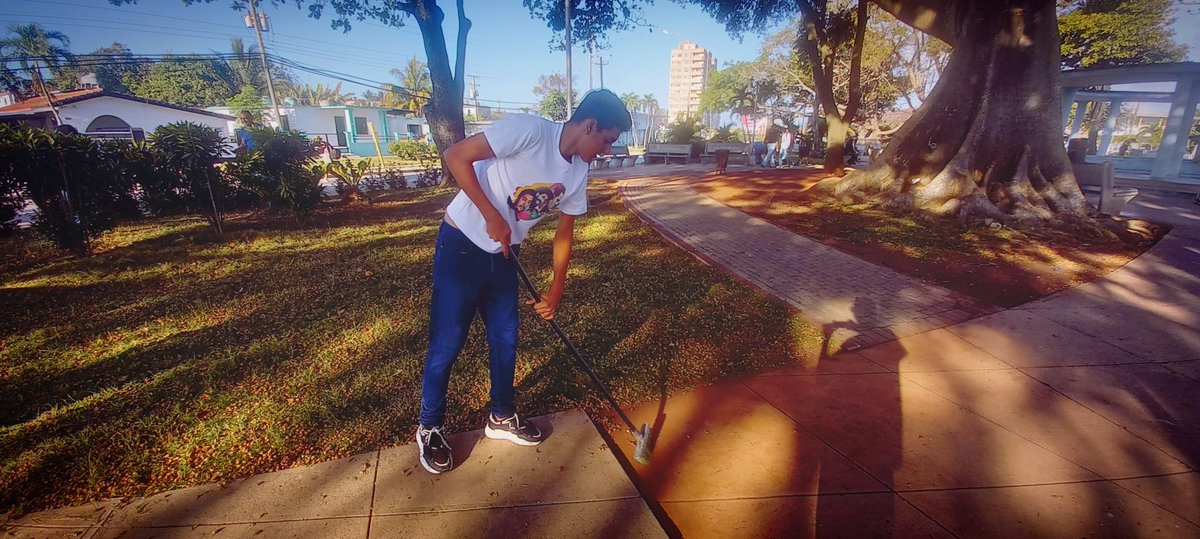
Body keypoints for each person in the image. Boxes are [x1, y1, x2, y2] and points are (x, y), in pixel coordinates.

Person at [416, 89, 632, 475]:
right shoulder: (530, 131)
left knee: (506, 338)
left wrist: (556, 290)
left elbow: (564, 233)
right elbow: (456, 157)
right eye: (606, 140)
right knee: (448, 342)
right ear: (590, 125)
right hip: (462, 245)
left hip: (503, 255)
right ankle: (430, 427)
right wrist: (490, 214)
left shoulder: (579, 171)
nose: (605, 149)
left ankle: (501, 417)